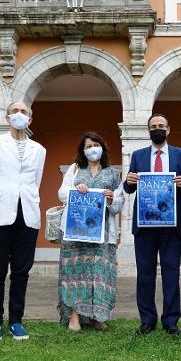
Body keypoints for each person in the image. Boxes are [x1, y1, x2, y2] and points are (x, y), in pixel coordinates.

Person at [0, 101, 46, 342]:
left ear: (30, 119)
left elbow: (35, 181)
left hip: (27, 213)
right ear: (7, 118)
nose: (19, 115)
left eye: (24, 112)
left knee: (21, 270)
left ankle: (16, 320)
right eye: (15, 111)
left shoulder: (39, 149)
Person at [123, 113, 181, 335]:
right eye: (154, 126)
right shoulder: (138, 155)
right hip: (144, 224)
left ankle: (171, 320)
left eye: (161, 126)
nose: (158, 129)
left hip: (171, 225)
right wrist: (128, 181)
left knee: (171, 272)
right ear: (149, 130)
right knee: (145, 274)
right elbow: (128, 188)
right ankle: (147, 320)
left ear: (168, 129)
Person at [57, 132, 124, 331]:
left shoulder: (112, 174)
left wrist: (111, 199)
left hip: (101, 234)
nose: (92, 148)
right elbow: (62, 193)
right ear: (83, 151)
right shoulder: (76, 169)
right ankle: (75, 317)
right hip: (77, 232)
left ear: (102, 148)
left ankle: (98, 316)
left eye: (95, 144)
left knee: (99, 274)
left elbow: (119, 204)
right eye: (88, 146)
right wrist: (76, 189)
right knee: (76, 273)